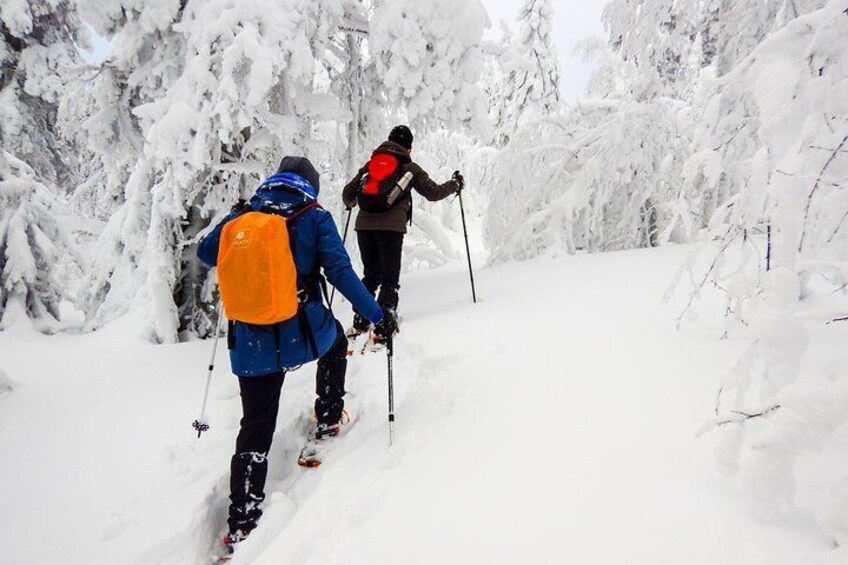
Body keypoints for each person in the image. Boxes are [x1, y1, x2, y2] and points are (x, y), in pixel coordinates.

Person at [197, 156, 396, 553]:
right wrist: (376, 315)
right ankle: (327, 417)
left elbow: (206, 252)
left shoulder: (247, 213)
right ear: (311, 185)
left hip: (251, 339)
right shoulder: (314, 216)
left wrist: (235, 218)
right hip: (299, 330)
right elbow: (340, 272)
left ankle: (242, 518)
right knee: (337, 344)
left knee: (255, 424)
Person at [342, 125, 464, 336]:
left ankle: (361, 319)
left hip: (364, 227)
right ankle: (386, 321)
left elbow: (347, 194)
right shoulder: (410, 168)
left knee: (370, 275)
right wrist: (455, 184)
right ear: (409, 147)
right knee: (390, 278)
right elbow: (433, 193)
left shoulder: (370, 166)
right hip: (391, 229)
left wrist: (353, 202)